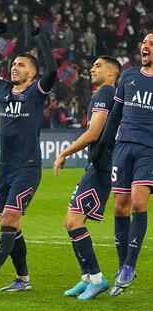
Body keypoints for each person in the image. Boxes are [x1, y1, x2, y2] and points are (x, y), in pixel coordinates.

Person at [0, 21, 57, 292]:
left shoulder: (36, 92)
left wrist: (41, 38)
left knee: (9, 220)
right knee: (11, 225)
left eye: (21, 65)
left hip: (27, 167)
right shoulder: (3, 89)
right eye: (14, 64)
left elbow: (53, 69)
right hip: (4, 167)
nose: (15, 68)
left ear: (32, 73)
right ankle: (24, 279)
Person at [53, 56, 121, 300]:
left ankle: (97, 278)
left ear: (112, 74)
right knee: (70, 221)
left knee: (74, 222)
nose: (92, 68)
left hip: (101, 166)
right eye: (92, 64)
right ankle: (86, 278)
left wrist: (64, 152)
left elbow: (93, 133)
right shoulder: (108, 94)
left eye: (98, 65)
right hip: (99, 164)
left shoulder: (106, 93)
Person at [93, 32, 153, 296]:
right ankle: (122, 265)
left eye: (152, 43)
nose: (146, 46)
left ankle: (129, 265)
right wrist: (103, 145)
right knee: (119, 208)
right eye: (144, 42)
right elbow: (115, 114)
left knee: (139, 203)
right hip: (123, 147)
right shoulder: (128, 76)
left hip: (149, 149)